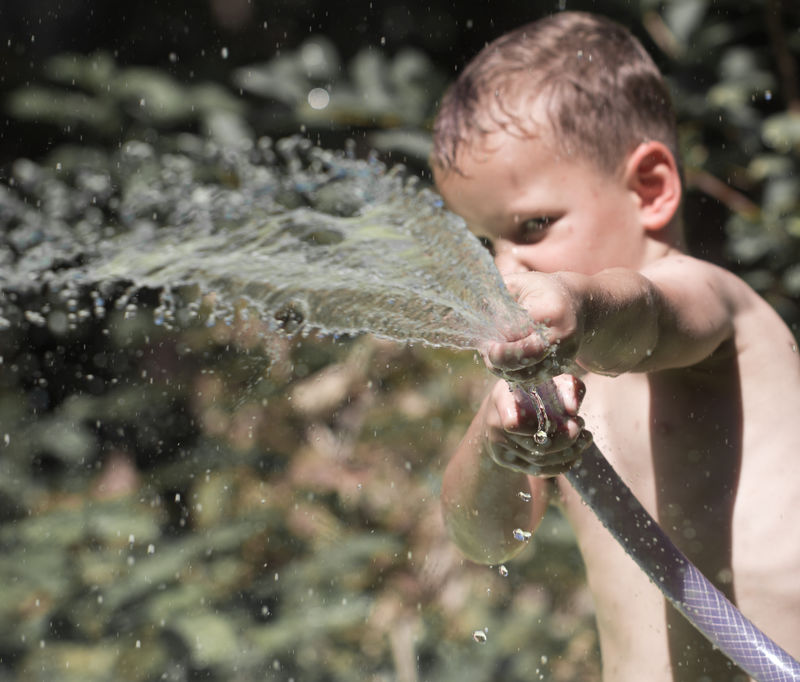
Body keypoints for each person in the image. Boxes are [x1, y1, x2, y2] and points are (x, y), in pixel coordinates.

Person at [430, 11, 800, 682]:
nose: (504, 269)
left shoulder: (715, 307)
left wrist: (577, 301)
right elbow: (482, 539)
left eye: (533, 227)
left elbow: (644, 315)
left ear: (649, 188)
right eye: (487, 242)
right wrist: (496, 450)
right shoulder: (549, 386)